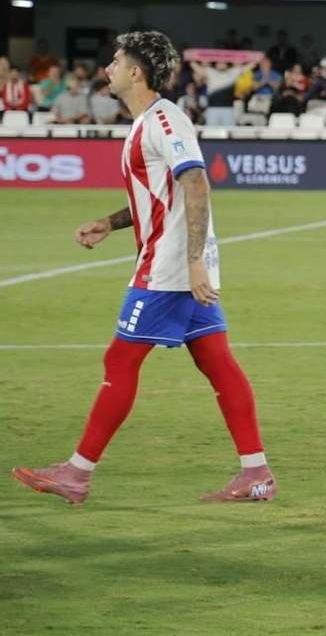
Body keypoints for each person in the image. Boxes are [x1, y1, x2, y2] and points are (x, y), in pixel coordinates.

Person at [11, 32, 275, 506]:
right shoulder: (145, 124)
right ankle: (256, 474)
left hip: (169, 268)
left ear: (136, 72)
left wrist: (193, 262)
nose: (108, 68)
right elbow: (159, 196)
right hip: (180, 265)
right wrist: (108, 223)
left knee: (120, 361)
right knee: (218, 364)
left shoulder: (166, 119)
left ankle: (76, 473)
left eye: (115, 62)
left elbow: (196, 183)